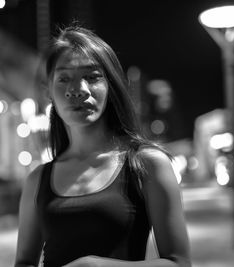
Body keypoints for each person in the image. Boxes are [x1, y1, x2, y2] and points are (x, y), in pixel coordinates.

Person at [14, 26, 191, 267]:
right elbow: (24, 263)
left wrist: (96, 266)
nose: (79, 90)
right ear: (49, 93)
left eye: (92, 76)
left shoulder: (146, 164)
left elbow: (179, 263)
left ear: (111, 85)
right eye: (64, 78)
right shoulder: (38, 179)